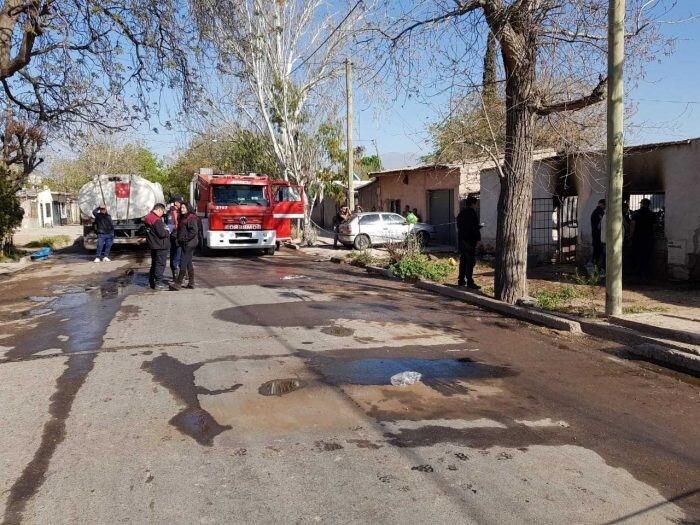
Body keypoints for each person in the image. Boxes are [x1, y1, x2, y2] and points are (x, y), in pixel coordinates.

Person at [169, 202, 199, 291]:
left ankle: (178, 283)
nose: (182, 209)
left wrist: (185, 239)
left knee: (183, 262)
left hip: (189, 244)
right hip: (185, 243)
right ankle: (191, 283)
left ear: (188, 208)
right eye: (181, 208)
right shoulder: (183, 216)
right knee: (188, 262)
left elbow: (194, 231)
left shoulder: (191, 217)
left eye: (184, 208)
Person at [456, 196, 481, 289]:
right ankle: (470, 281)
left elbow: (459, 226)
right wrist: (478, 236)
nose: (476, 206)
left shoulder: (461, 213)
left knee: (463, 260)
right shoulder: (472, 213)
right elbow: (473, 227)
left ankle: (461, 280)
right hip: (470, 241)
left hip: (462, 239)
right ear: (473, 204)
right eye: (476, 204)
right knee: (470, 261)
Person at [144, 203, 169, 290]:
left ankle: (152, 282)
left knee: (154, 263)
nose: (162, 214)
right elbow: (161, 234)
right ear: (159, 210)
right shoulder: (156, 220)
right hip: (160, 245)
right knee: (160, 264)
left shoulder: (148, 217)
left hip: (153, 244)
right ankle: (159, 283)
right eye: (162, 212)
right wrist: (167, 231)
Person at [631, 198, 657, 281]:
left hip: (637, 238)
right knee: (646, 256)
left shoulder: (636, 213)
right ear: (648, 205)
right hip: (648, 238)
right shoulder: (652, 214)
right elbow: (654, 227)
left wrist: (631, 235)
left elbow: (632, 225)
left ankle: (637, 274)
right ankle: (645, 274)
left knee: (637, 255)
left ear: (641, 204)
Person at [165, 196, 183, 280]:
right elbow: (170, 224)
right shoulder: (170, 212)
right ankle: (175, 273)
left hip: (180, 235)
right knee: (175, 255)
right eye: (180, 202)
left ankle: (180, 272)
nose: (182, 204)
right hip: (174, 236)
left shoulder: (181, 211)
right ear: (176, 203)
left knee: (179, 254)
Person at [590, 199, 606, 269]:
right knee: (598, 251)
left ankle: (595, 265)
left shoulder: (596, 211)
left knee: (596, 250)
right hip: (599, 235)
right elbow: (599, 226)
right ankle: (596, 267)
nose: (605, 206)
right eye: (605, 205)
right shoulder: (599, 212)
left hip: (596, 234)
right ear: (602, 204)